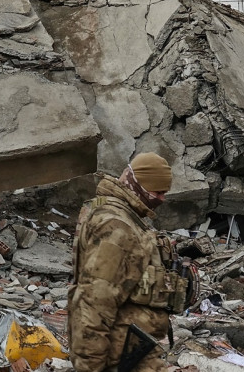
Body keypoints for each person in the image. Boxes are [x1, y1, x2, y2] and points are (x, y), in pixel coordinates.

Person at [69, 153, 191, 372]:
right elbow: (93, 303)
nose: (162, 199)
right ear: (136, 183)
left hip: (133, 349)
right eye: (158, 191)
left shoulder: (122, 216)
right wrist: (91, 367)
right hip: (121, 355)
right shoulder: (117, 227)